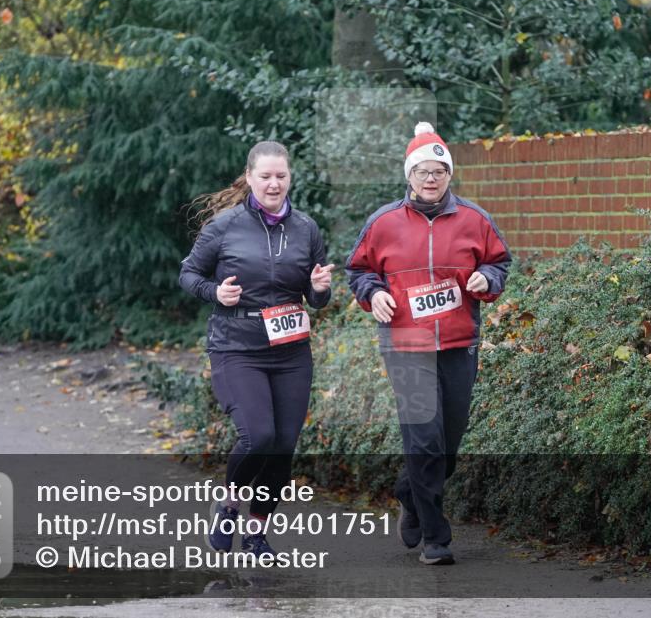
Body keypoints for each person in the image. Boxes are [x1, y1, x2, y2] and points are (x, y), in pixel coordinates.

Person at [346, 122, 511, 565]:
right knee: (424, 440)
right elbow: (359, 271)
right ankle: (436, 538)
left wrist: (486, 278)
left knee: (448, 443)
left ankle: (408, 491)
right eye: (423, 170)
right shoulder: (383, 222)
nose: (431, 178)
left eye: (439, 170)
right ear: (409, 176)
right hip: (406, 342)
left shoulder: (475, 219)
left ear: (450, 175)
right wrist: (373, 293)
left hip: (459, 342)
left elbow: (500, 263)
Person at [179, 141, 334, 557]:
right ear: (249, 178)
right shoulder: (225, 226)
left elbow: (316, 295)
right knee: (258, 436)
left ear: (290, 179)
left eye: (280, 176)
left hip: (290, 352)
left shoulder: (306, 229)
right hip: (236, 347)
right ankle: (227, 504)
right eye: (265, 176)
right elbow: (188, 273)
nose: (273, 183)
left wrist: (320, 290)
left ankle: (256, 532)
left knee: (283, 445)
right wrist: (216, 292)